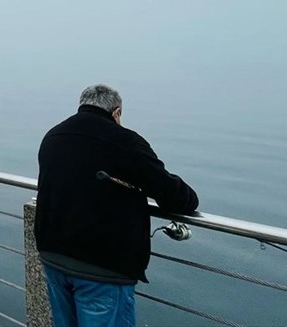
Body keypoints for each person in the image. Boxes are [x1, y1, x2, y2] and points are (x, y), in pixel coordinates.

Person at [35, 85, 199, 327]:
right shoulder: (126, 141)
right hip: (102, 267)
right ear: (116, 112)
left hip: (53, 256)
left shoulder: (53, 136)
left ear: (82, 106)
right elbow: (175, 196)